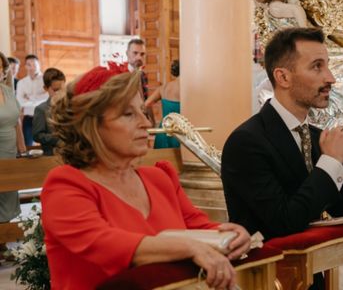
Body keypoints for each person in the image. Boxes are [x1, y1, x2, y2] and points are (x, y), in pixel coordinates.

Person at [41, 63, 251, 289]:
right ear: (90, 126)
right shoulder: (66, 185)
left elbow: (199, 227)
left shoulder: (159, 178)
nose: (146, 123)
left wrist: (231, 234)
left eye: (142, 110)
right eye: (128, 114)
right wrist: (188, 247)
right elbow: (103, 243)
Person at [221, 27, 343, 242]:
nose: (331, 78)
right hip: (268, 270)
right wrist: (331, 161)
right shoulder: (246, 142)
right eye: (317, 67)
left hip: (316, 270)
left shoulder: (317, 137)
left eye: (327, 66)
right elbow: (284, 222)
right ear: (283, 77)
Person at [0, 52, 25, 225]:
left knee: (8, 197)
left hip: (10, 153)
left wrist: (22, 148)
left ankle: (5, 244)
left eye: (0, 68)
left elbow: (17, 121)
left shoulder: (8, 91)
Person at [145, 59, 180, 148]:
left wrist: (152, 122)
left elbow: (146, 104)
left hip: (162, 132)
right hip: (180, 134)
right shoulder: (187, 88)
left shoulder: (164, 87)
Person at [16, 54, 48, 146]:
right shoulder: (22, 83)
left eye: (34, 64)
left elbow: (48, 99)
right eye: (29, 65)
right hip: (28, 118)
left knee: (46, 145)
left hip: (44, 117)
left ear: (39, 65)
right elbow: (20, 101)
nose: (32, 67)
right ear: (25, 66)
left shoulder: (46, 80)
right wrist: (38, 98)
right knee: (28, 145)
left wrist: (29, 99)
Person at [33, 67, 66, 156]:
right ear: (45, 88)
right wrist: (58, 139)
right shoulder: (41, 109)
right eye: (55, 90)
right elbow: (37, 135)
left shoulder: (71, 106)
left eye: (62, 89)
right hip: (51, 155)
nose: (59, 93)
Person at [126, 38, 155, 126]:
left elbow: (146, 100)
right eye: (135, 53)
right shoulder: (119, 74)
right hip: (127, 122)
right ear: (127, 53)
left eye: (142, 54)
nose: (139, 57)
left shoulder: (143, 75)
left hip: (143, 120)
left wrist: (152, 122)